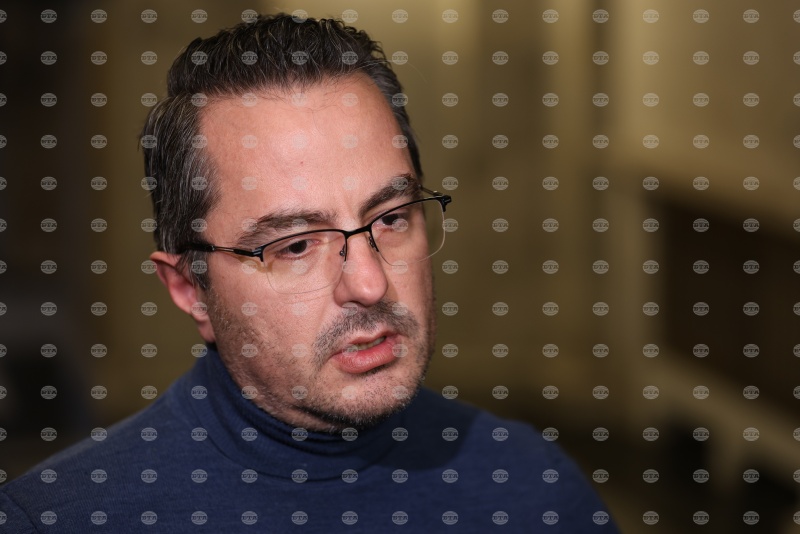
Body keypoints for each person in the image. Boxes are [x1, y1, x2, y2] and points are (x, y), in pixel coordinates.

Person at [0, 14, 618, 532]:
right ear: (190, 289)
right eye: (295, 246)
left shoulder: (534, 491)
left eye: (391, 218)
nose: (370, 285)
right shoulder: (60, 519)